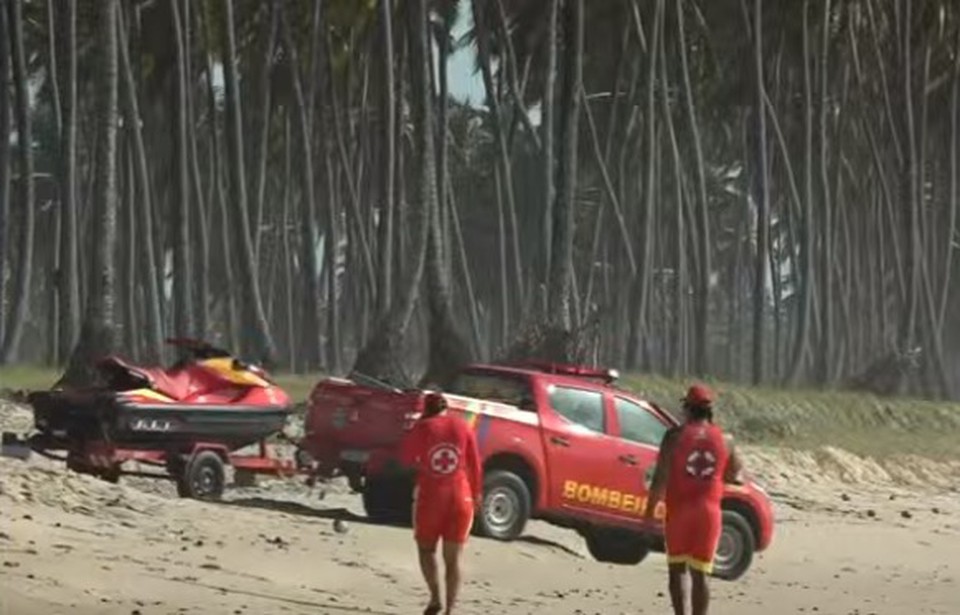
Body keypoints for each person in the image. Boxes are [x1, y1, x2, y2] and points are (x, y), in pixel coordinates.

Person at [642, 384, 743, 615]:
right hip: (708, 512)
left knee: (677, 569)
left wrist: (648, 516)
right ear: (710, 411)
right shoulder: (726, 440)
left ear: (687, 408)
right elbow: (734, 474)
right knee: (702, 573)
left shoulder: (674, 437)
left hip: (679, 510)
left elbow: (660, 480)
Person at [399, 392, 482, 615]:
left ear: (427, 409)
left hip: (431, 497)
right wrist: (476, 494)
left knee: (426, 550)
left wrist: (418, 427)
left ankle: (435, 598)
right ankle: (450, 610)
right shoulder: (463, 426)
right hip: (460, 496)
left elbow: (406, 457)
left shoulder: (423, 427)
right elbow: (475, 464)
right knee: (453, 559)